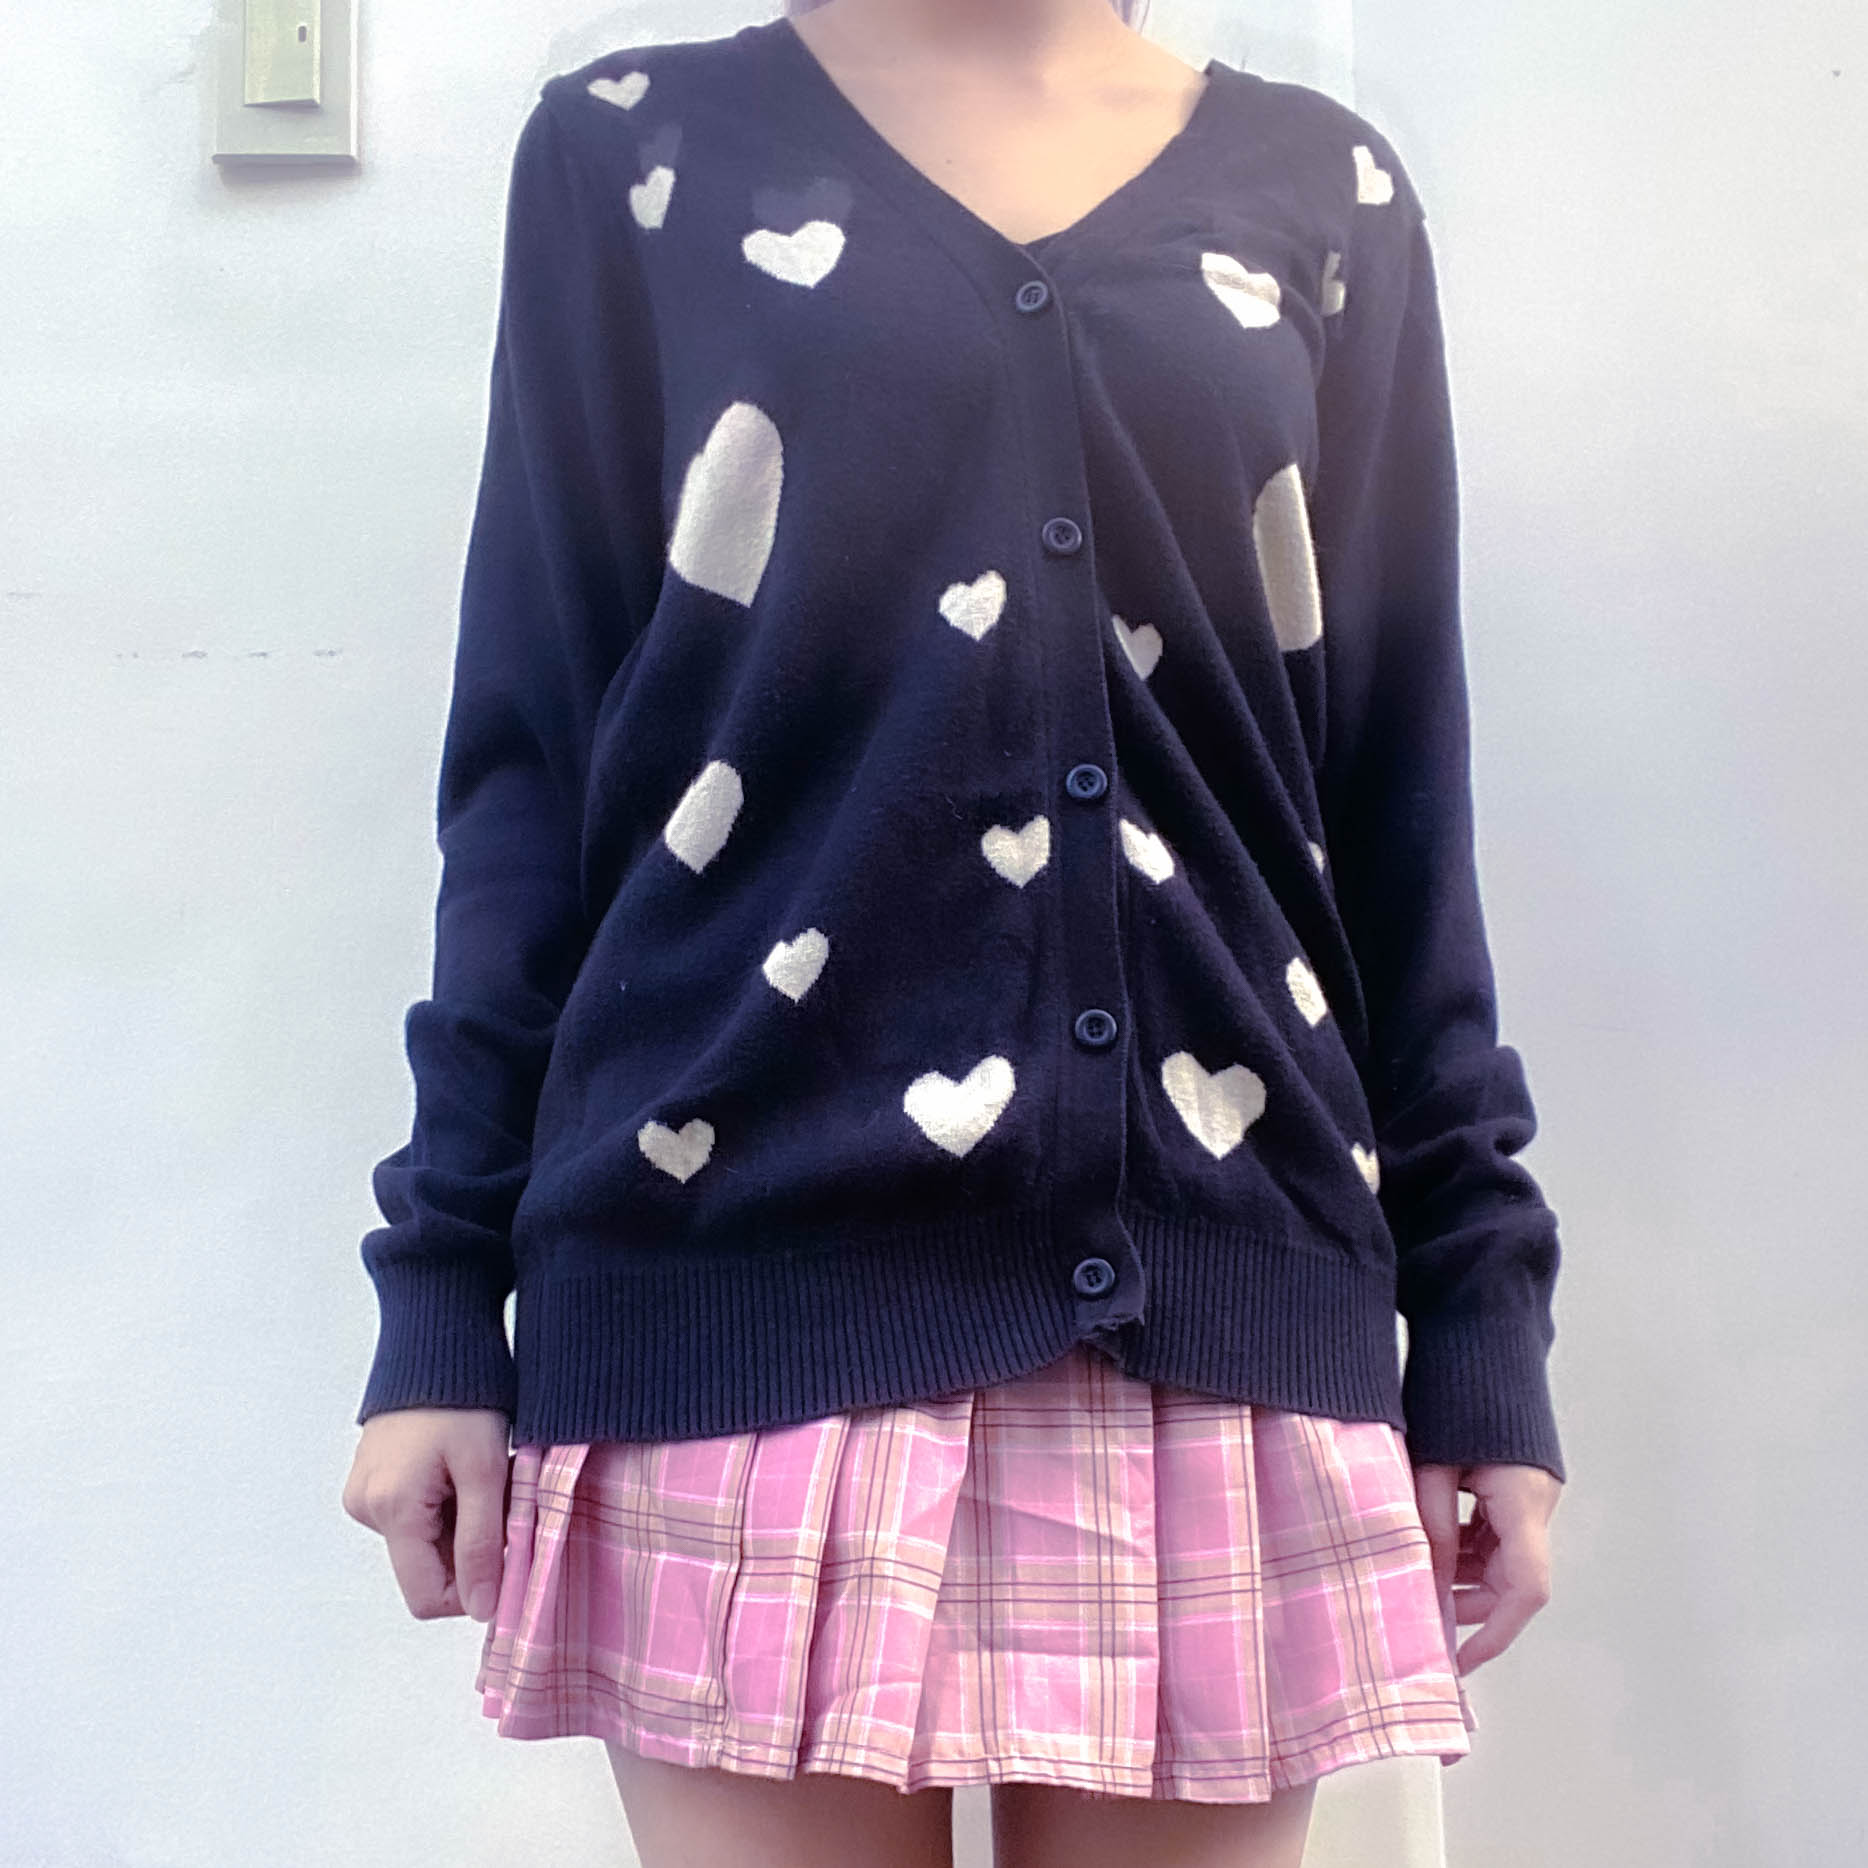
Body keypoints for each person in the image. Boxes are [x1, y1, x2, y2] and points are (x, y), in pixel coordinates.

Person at [340, 1, 1565, 1862]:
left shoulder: (1326, 194)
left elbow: (1394, 794)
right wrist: (440, 1295)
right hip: (730, 1279)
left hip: (1222, 1300)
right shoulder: (634, 154)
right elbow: (532, 764)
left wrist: (1481, 1312)